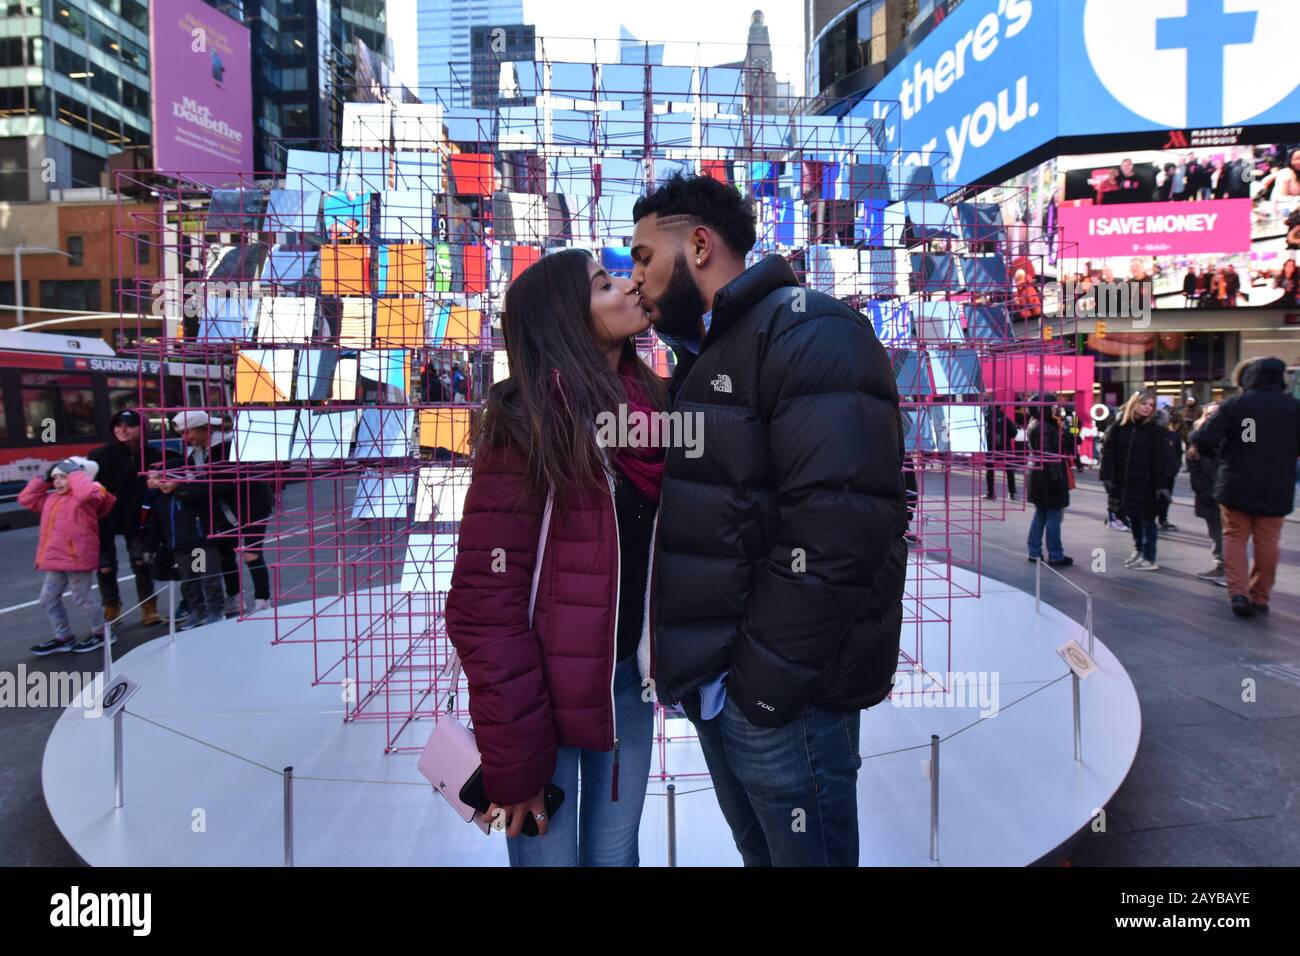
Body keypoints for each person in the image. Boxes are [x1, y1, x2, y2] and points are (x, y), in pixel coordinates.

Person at [631, 173, 908, 867]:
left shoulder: (811, 331)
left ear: (698, 244)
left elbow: (842, 531)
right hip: (724, 692)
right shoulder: (706, 356)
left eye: (641, 257)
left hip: (783, 703)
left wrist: (763, 690)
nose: (634, 280)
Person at [444, 249, 664, 866]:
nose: (626, 286)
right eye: (604, 284)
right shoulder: (527, 425)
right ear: (568, 318)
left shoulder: (652, 414)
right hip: (541, 702)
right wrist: (515, 754)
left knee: (617, 856)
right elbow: (483, 606)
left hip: (627, 686)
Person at [1193, 357, 1300, 618]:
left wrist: (1216, 451)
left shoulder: (1235, 404)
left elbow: (1205, 439)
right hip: (1276, 484)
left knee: (1234, 536)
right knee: (1268, 541)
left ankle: (1238, 593)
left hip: (1235, 481)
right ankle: (1260, 596)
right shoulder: (1294, 407)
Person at [174, 411, 273, 615]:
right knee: (223, 554)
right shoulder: (197, 453)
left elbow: (222, 484)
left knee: (250, 553)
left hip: (251, 504)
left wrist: (183, 490)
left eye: (187, 432)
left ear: (202, 429)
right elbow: (197, 480)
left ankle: (262, 600)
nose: (185, 438)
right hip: (223, 509)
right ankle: (228, 599)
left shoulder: (227, 447)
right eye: (182, 433)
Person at [22, 458, 117, 656]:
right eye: (54, 477)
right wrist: (42, 479)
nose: (57, 482)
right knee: (48, 598)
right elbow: (26, 499)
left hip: (77, 559)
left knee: (82, 598)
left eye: (63, 477)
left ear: (81, 476)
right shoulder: (51, 498)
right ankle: (63, 637)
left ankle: (102, 634)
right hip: (56, 559)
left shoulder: (90, 496)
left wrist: (75, 473)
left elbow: (86, 494)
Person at [89, 409, 166, 627]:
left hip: (137, 518)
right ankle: (111, 608)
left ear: (142, 428)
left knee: (141, 563)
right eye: (118, 425)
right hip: (104, 518)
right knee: (104, 567)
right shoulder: (98, 455)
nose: (122, 430)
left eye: (129, 425)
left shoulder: (153, 455)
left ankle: (149, 608)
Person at [142, 459, 226, 630]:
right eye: (159, 479)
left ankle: (215, 611)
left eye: (167, 478)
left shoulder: (192, 493)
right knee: (189, 581)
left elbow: (208, 504)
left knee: (207, 578)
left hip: (198, 544)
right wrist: (150, 547)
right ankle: (198, 611)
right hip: (179, 546)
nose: (163, 483)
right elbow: (156, 526)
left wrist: (181, 489)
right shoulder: (160, 501)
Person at [1100, 390, 1167, 571]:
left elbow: (1160, 459)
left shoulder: (1156, 430)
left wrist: (1161, 485)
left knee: (1147, 519)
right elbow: (1109, 453)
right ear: (1134, 404)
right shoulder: (1119, 427)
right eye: (1144, 403)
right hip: (1124, 482)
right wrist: (1105, 475)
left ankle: (1149, 556)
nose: (1148, 407)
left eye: (1151, 405)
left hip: (1147, 483)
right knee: (1133, 517)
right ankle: (1139, 550)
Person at [1025, 397, 1073, 567]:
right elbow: (1049, 457)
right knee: (1053, 515)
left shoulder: (1037, 424)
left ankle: (1034, 552)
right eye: (1053, 406)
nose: (1056, 409)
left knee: (1041, 514)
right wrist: (1057, 481)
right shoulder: (1043, 427)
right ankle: (1055, 554)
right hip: (1047, 477)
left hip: (1038, 475)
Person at [1185, 402, 1225, 583]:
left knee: (1229, 531)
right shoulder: (1197, 438)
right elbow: (1192, 461)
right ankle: (1220, 564)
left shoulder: (1233, 437)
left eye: (1216, 414)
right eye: (1209, 414)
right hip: (1206, 489)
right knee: (1215, 529)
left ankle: (1228, 567)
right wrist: (1198, 484)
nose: (1212, 418)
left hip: (1227, 490)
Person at [984, 404, 1017, 500]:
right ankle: (1012, 492)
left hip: (991, 448)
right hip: (1005, 447)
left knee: (990, 470)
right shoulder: (1006, 419)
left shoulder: (986, 418)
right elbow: (1014, 433)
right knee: (1009, 470)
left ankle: (990, 493)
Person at [1157, 412, 1183, 531]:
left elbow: (1178, 453)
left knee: (1166, 497)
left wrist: (1176, 467)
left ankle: (1163, 519)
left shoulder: (1174, 435)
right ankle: (1149, 518)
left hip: (1169, 472)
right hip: (1155, 472)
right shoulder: (1152, 435)